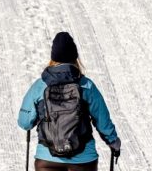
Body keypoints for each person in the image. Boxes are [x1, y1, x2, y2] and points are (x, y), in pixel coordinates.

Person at [18, 31, 121, 171]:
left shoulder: (40, 86)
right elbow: (103, 121)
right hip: (83, 161)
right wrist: (113, 142)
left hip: (47, 161)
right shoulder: (87, 85)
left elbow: (24, 122)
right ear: (75, 58)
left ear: (53, 57)